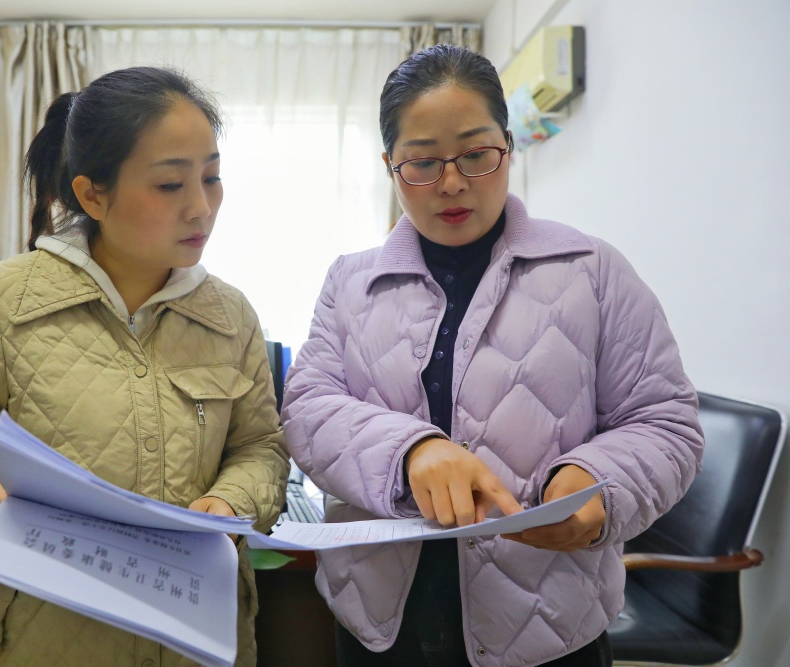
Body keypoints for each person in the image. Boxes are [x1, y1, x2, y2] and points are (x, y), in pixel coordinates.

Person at [281, 44, 703, 667]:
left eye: (476, 155)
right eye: (422, 163)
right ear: (389, 165)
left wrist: (596, 483)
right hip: (379, 621)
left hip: (549, 622)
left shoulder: (592, 272)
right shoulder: (351, 282)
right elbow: (307, 409)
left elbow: (664, 422)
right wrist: (410, 452)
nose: (451, 182)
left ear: (508, 145)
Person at [0, 66, 289, 667]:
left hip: (194, 640)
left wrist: (231, 501)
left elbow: (260, 448)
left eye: (211, 177)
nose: (201, 207)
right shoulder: (3, 299)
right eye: (170, 185)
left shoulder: (229, 314)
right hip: (43, 640)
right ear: (92, 195)